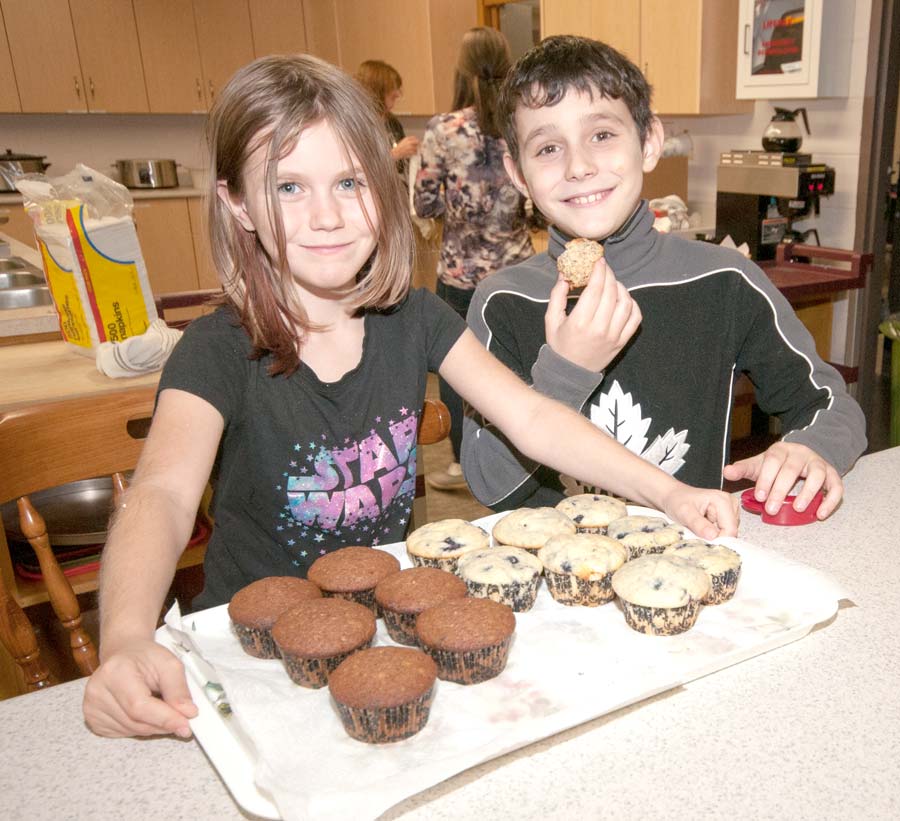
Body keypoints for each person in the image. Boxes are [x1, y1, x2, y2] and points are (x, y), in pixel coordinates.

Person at [82, 53, 738, 739]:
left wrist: (668, 493)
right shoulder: (215, 350)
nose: (327, 215)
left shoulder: (417, 318)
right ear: (238, 203)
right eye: (288, 187)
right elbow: (161, 495)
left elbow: (533, 417)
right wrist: (124, 637)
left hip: (385, 635)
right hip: (255, 658)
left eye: (349, 182)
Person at [461, 35, 867, 521]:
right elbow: (490, 484)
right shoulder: (501, 301)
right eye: (548, 147)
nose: (579, 166)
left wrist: (811, 448)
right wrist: (564, 373)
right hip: (550, 563)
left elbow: (831, 405)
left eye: (602, 135)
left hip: (691, 550)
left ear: (649, 142)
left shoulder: (726, 280)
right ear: (518, 174)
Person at [413, 26, 533, 489]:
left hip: (461, 275)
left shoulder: (444, 130)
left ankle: (466, 465)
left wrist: (459, 207)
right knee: (520, 367)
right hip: (519, 271)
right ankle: (526, 460)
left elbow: (424, 203)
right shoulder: (520, 122)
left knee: (457, 370)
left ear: (461, 70)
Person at [354, 59, 419, 171]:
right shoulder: (356, 125)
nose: (398, 94)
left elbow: (401, 167)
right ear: (376, 91)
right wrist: (395, 154)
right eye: (392, 91)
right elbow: (359, 169)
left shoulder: (392, 122)